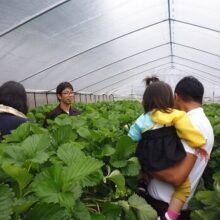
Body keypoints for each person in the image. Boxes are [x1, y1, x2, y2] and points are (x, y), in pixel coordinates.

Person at [128, 77, 208, 220]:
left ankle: (143, 184)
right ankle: (169, 216)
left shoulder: (143, 118)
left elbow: (132, 136)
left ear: (176, 96)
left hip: (162, 200)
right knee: (184, 189)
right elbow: (188, 133)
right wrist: (200, 144)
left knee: (142, 169)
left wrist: (145, 163)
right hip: (164, 163)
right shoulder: (178, 116)